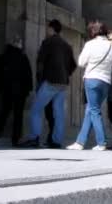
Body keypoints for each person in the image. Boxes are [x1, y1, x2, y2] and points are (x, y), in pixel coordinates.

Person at [19, 19, 76, 148]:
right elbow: (73, 65)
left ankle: (34, 137)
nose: (46, 31)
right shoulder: (67, 45)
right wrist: (66, 74)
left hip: (50, 81)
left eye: (47, 28)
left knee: (35, 110)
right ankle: (56, 141)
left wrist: (40, 80)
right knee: (59, 113)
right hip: (63, 83)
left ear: (51, 29)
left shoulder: (48, 42)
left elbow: (40, 62)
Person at [67, 21, 112, 151]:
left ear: (93, 31)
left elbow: (81, 62)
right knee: (90, 110)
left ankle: (101, 142)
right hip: (106, 81)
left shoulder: (90, 44)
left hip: (92, 79)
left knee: (94, 111)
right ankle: (80, 142)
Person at [0, 36, 33, 146]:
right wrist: (28, 89)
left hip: (7, 89)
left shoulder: (2, 57)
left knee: (4, 111)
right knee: (18, 115)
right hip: (20, 91)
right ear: (18, 44)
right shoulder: (23, 57)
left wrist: (1, 88)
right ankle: (15, 138)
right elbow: (28, 75)